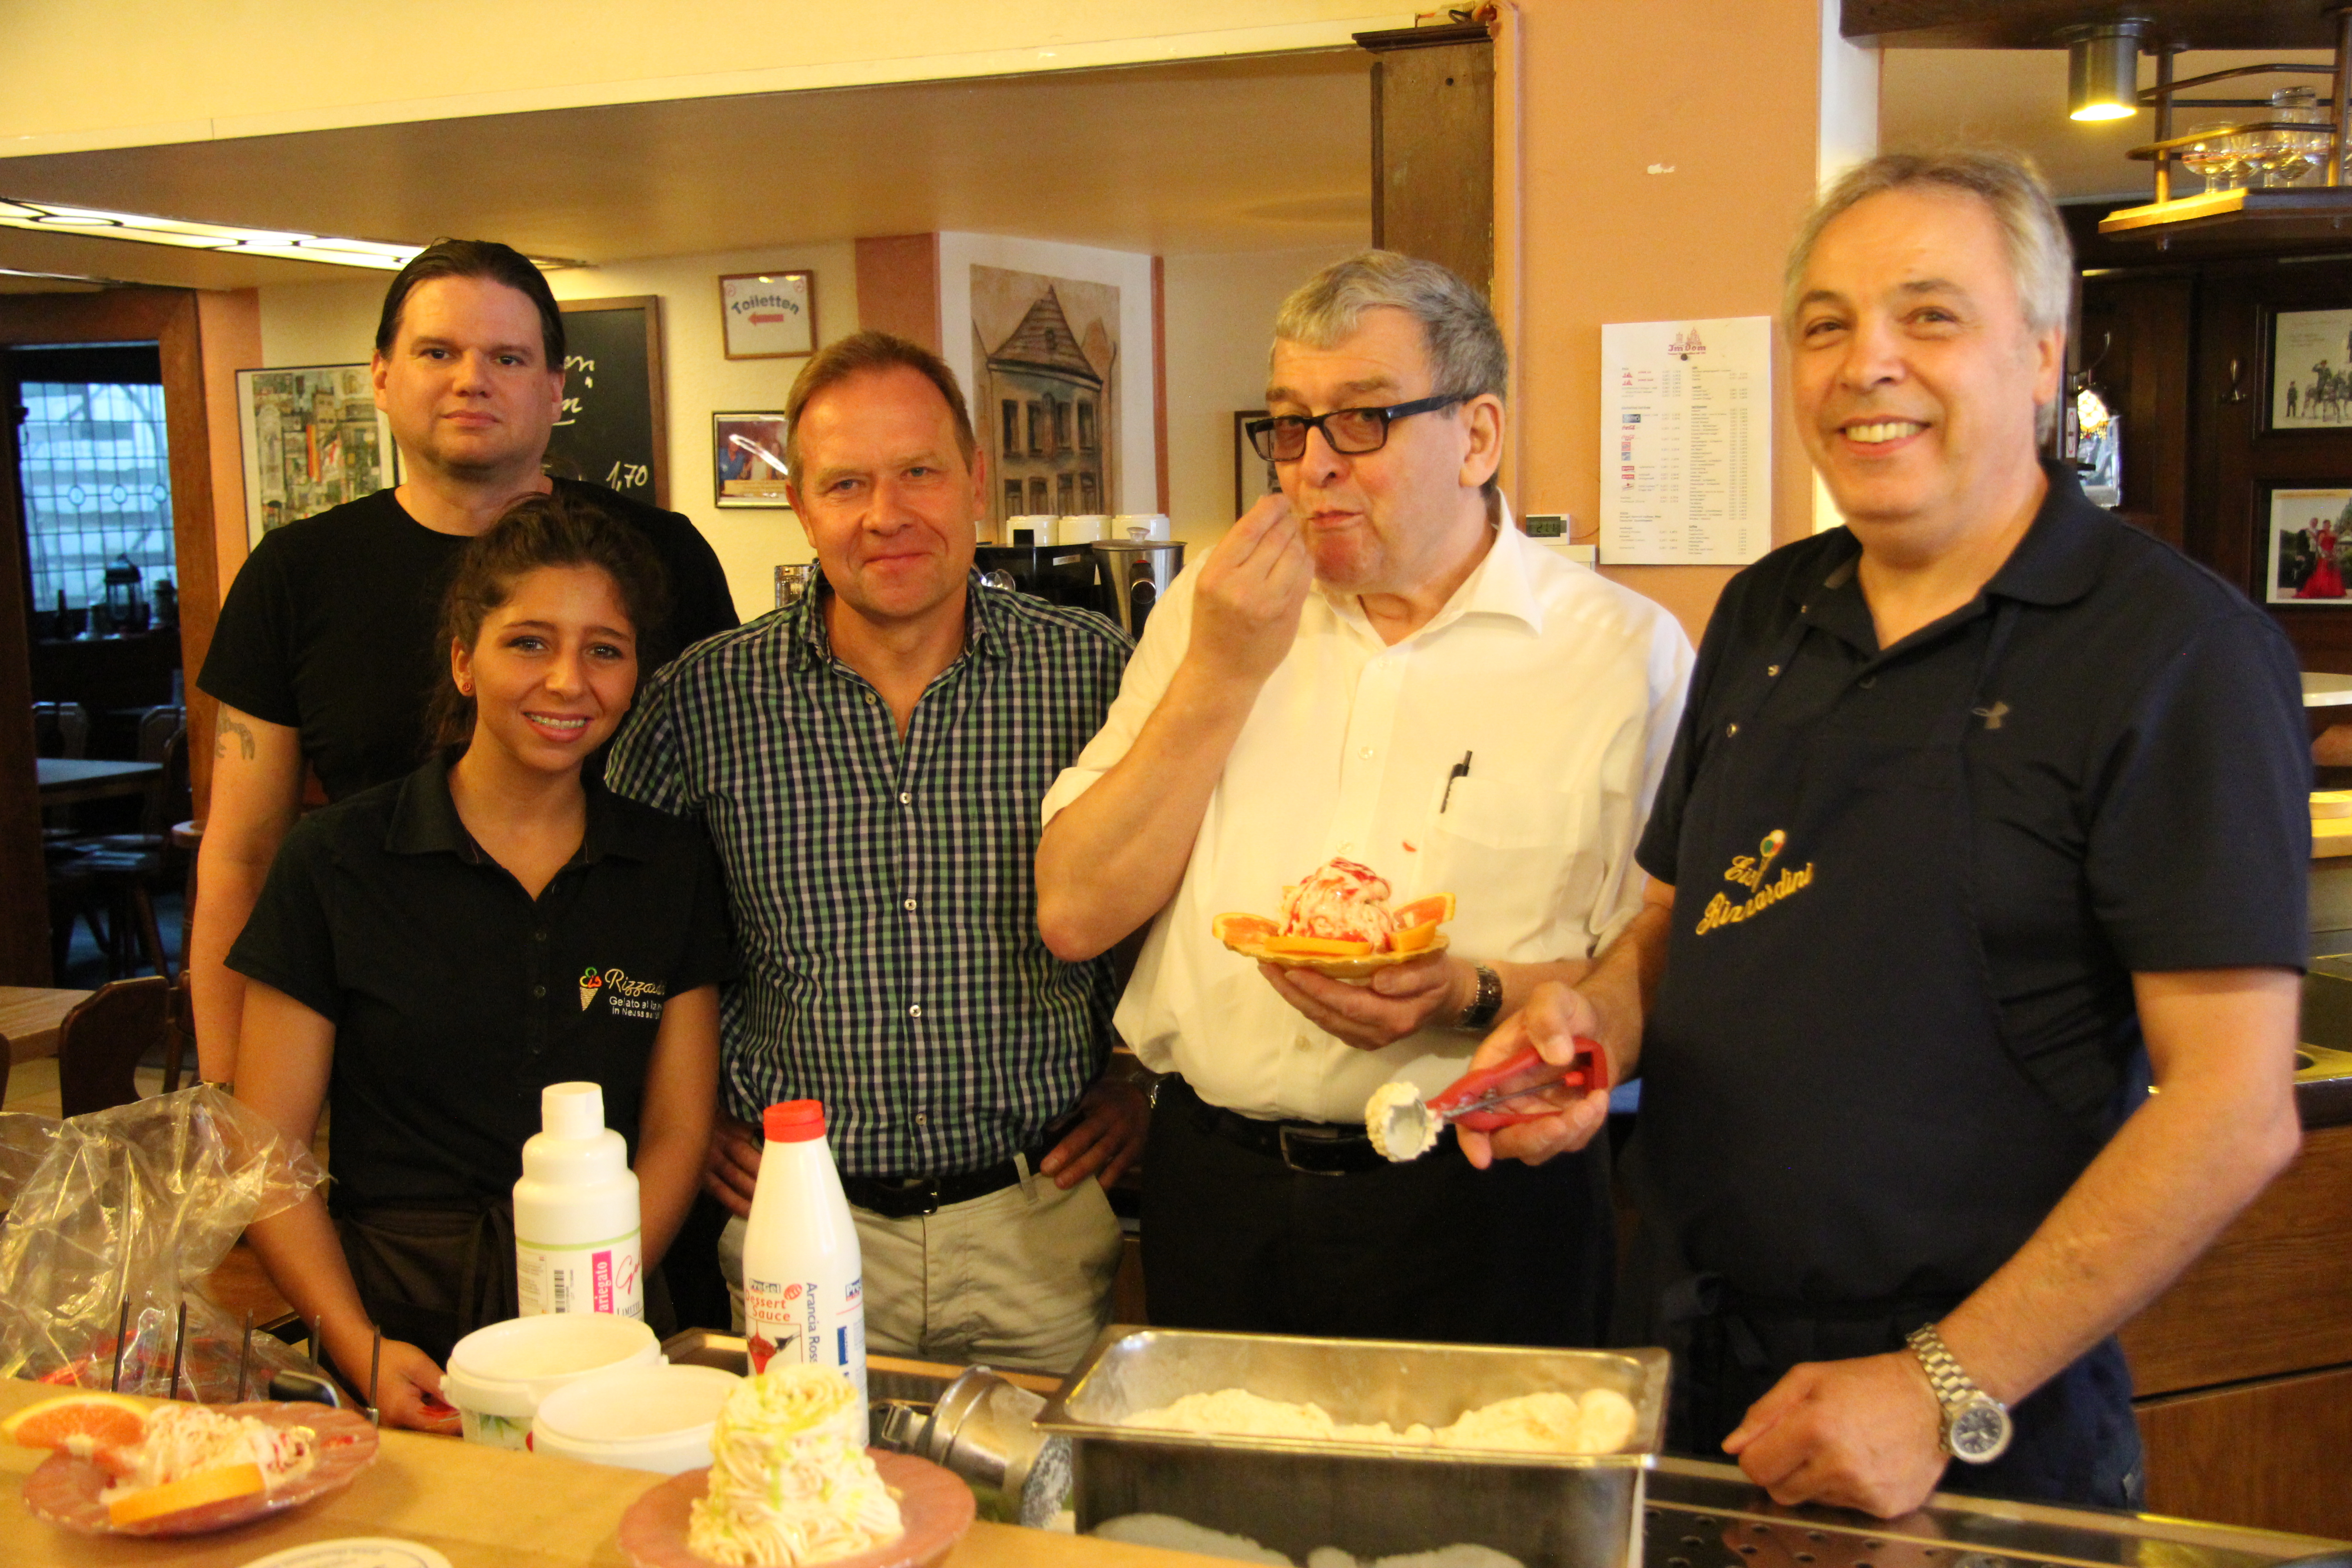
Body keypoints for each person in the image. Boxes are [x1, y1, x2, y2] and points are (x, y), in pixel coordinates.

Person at [1459, 151, 2306, 1515]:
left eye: (1930, 317)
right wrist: (1592, 1029)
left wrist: (1938, 1386)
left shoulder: (2177, 654)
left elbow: (2234, 1107)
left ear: (2041, 356)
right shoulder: (1765, 613)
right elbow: (1685, 921)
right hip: (1690, 1372)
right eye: (1827, 325)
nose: (1869, 365)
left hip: (1978, 1421)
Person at [1035, 251, 1691, 1348]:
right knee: (1204, 1519)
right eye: (1290, 425)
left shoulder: (1621, 654)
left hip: (1482, 1199)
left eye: (1362, 421)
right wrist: (1224, 671)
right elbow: (1075, 911)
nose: (1311, 467)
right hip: (1220, 1185)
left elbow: (1657, 963)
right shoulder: (1218, 606)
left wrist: (1467, 994)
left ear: (1478, 438)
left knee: (1483, 1520)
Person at [604, 330, 1143, 1375]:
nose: (886, 514)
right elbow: (621, 936)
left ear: (976, 483)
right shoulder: (704, 702)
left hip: (1037, 1220)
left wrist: (1143, 1078)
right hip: (794, 1228)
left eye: (919, 473)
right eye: (846, 482)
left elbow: (1184, 907)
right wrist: (678, 1106)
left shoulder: (1094, 677)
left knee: (1039, 1523)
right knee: (806, 1516)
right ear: (801, 506)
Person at [233, 493, 730, 1431]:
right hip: (397, 1327)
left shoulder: (667, 865)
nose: (568, 682)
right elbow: (268, 1154)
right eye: (530, 643)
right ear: (464, 657)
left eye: (606, 651)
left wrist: (597, 1318)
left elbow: (677, 1130)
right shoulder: (338, 862)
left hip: (618, 1336)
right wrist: (361, 1347)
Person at [191, 239, 738, 1087]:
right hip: (377, 1080)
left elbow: (729, 835)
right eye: (437, 352)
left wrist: (721, 1089)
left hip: (635, 1058)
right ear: (380, 376)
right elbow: (240, 856)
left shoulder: (660, 557)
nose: (470, 379)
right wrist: (230, 1107)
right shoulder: (296, 574)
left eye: (507, 357)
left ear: (556, 388)